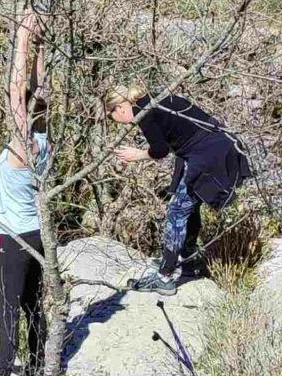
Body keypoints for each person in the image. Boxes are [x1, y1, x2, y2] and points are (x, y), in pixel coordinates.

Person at [109, 84, 254, 295]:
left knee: (177, 211)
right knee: (189, 209)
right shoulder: (156, 99)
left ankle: (164, 277)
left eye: (112, 117)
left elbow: (159, 150)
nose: (120, 125)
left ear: (119, 108)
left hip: (208, 155)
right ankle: (189, 264)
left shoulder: (145, 111)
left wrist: (137, 155)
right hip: (215, 149)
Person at [0, 10, 50, 376]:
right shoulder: (43, 139)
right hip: (38, 236)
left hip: (16, 237)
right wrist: (38, 46)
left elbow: (16, 90)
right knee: (34, 306)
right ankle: (39, 371)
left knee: (9, 308)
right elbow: (37, 91)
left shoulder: (22, 146)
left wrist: (22, 36)